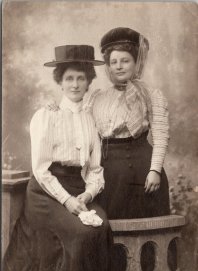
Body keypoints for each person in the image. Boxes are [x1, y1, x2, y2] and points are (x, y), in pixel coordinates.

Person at [3, 45, 113, 271]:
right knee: (81, 233)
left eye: (81, 78)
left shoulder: (89, 118)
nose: (75, 84)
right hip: (45, 193)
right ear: (60, 82)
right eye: (69, 78)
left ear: (88, 82)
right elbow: (40, 170)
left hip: (79, 189)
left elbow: (95, 168)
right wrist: (67, 200)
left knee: (103, 226)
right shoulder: (46, 116)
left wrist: (87, 194)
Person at [47, 27, 170, 220]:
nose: (119, 66)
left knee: (148, 227)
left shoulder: (151, 95)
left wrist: (155, 170)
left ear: (136, 62)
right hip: (109, 174)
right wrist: (56, 110)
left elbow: (161, 137)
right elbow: (77, 117)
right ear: (108, 66)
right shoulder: (97, 97)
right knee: (110, 228)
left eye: (125, 61)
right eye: (113, 62)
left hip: (144, 171)